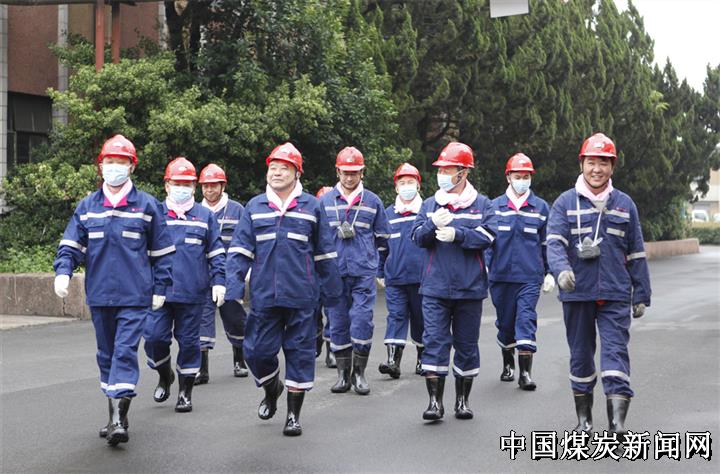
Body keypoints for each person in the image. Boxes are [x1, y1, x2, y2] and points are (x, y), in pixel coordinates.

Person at [53, 134, 175, 446]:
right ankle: (114, 415)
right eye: (110, 161)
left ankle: (119, 419)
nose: (114, 167)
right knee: (106, 354)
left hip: (135, 296)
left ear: (132, 166)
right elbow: (71, 245)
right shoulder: (88, 206)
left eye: (121, 162)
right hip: (100, 295)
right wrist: (63, 272)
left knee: (124, 351)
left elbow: (162, 253)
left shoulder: (147, 206)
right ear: (101, 165)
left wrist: (161, 287)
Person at [225, 143, 342, 436]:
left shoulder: (312, 206)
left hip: (303, 296)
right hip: (264, 296)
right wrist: (232, 289)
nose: (276, 172)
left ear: (297, 173)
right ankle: (271, 387)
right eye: (273, 167)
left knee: (300, 354)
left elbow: (325, 254)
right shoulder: (255, 207)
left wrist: (333, 294)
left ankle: (293, 415)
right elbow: (239, 251)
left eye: (284, 168)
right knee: (255, 351)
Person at [546, 132, 651, 437]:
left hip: (615, 293)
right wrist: (562, 271)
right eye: (591, 162)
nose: (597, 169)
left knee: (616, 353)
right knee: (580, 355)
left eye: (604, 163)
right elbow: (554, 243)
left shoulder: (625, 204)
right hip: (577, 293)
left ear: (612, 167)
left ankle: (617, 424)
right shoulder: (564, 203)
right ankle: (584, 422)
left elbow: (636, 252)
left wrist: (641, 293)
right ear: (582, 164)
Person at [411, 142, 498, 421]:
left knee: (466, 345)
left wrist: (458, 234)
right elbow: (417, 238)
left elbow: (489, 236)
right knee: (434, 341)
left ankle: (462, 400)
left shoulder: (482, 204)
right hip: (435, 287)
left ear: (464, 172)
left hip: (469, 288)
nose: (443, 174)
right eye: (441, 169)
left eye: (449, 170)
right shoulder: (429, 205)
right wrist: (431, 224)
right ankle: (434, 403)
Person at [143, 157, 226, 413]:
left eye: (187, 184)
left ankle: (185, 392)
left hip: (193, 293)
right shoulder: (154, 214)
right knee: (154, 338)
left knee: (190, 344)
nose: (182, 188)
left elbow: (216, 252)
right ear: (167, 185)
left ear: (193, 187)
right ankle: (164, 374)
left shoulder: (205, 216)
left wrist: (219, 282)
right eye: (177, 183)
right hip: (159, 293)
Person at [319, 147, 391, 395]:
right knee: (338, 322)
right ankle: (342, 375)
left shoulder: (372, 201)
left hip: (363, 272)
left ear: (362, 172)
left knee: (361, 320)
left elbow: (383, 239)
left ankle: (359, 373)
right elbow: (317, 240)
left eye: (354, 172)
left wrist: (378, 268)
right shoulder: (325, 201)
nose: (349, 177)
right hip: (334, 273)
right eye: (345, 172)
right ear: (337, 171)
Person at [485, 153, 553, 390]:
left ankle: (525, 374)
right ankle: (508, 364)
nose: (522, 181)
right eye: (517, 176)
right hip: (500, 277)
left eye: (526, 177)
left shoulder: (541, 208)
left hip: (529, 277)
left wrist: (550, 272)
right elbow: (487, 242)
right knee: (505, 325)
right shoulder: (494, 207)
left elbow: (547, 243)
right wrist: (485, 267)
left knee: (525, 320)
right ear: (508, 177)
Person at [195, 163, 249, 383]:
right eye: (205, 186)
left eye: (213, 185)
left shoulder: (237, 210)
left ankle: (239, 359)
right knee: (202, 319)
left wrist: (246, 271)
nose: (209, 190)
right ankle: (202, 368)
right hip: (202, 274)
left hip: (229, 274)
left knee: (235, 317)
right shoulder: (195, 211)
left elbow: (246, 240)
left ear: (223, 186)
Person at [377, 163, 426, 379]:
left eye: (410, 182)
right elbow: (382, 247)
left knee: (421, 319)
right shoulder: (387, 214)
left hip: (422, 279)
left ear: (418, 185)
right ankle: (392, 361)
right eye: (402, 183)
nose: (406, 186)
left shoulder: (426, 212)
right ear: (396, 187)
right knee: (396, 316)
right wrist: (380, 272)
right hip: (395, 279)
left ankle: (423, 358)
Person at [314, 186, 337, 369]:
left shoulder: (338, 218)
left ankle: (332, 351)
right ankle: (315, 340)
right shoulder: (312, 220)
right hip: (313, 274)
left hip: (330, 273)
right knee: (312, 312)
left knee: (332, 313)